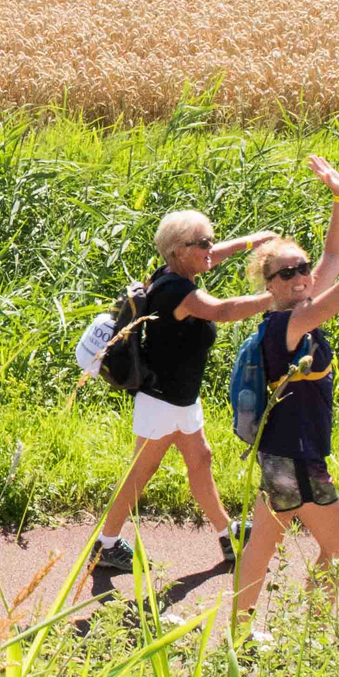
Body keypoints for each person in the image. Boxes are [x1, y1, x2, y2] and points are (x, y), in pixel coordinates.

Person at [233, 170, 339, 616]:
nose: (302, 275)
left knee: (260, 551)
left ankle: (237, 632)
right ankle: (315, 635)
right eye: (288, 272)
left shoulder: (296, 310)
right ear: (271, 286)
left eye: (303, 267)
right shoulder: (288, 324)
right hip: (299, 459)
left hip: (278, 455)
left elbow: (335, 253)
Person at [93, 202, 282, 572]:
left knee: (201, 461)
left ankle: (228, 533)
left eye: (210, 240)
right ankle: (106, 544)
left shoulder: (170, 269)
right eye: (202, 243)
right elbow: (224, 310)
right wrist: (279, 298)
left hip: (181, 398)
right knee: (140, 473)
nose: (211, 248)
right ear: (179, 251)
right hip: (161, 401)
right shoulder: (176, 293)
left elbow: (218, 253)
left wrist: (252, 241)